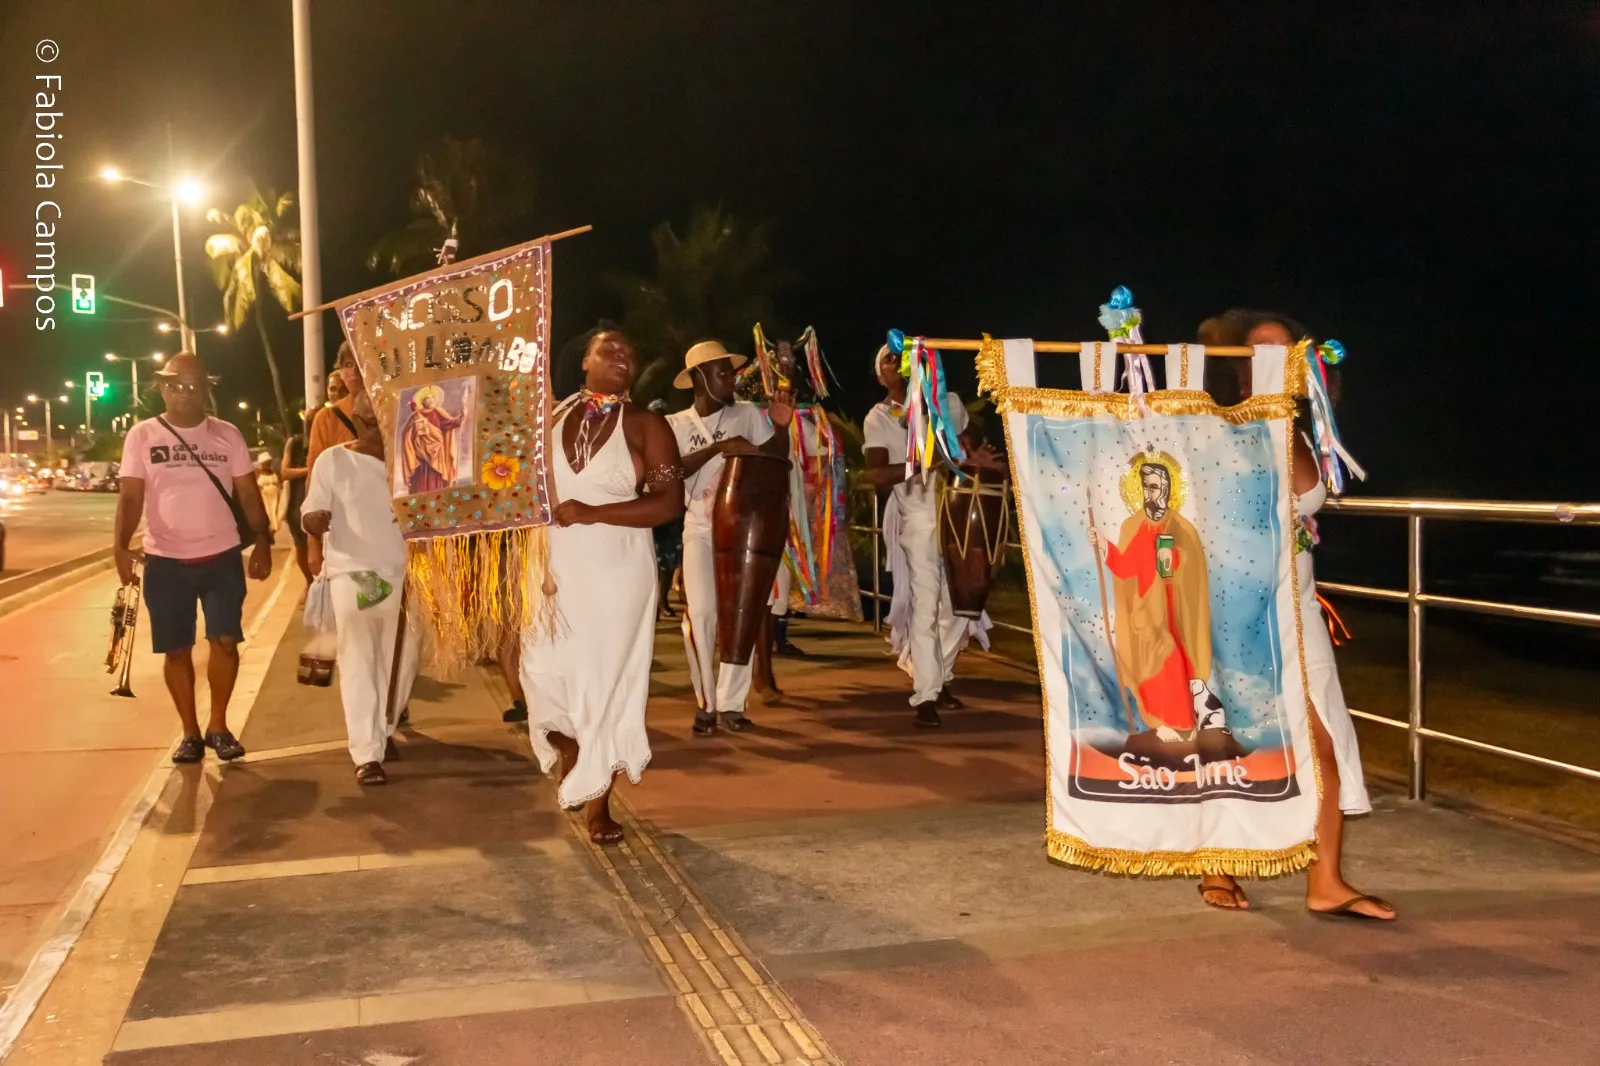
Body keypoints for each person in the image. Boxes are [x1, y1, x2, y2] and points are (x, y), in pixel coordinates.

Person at [1193, 310, 1395, 921]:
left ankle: (1325, 880)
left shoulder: (1301, 431)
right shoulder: (1214, 427)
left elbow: (1300, 503)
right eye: (1262, 350)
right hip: (1235, 609)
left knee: (1323, 738)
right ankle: (1216, 860)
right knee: (1232, 738)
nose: (1277, 361)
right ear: (1237, 365)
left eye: (1287, 350)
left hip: (1297, 608)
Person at [520, 327, 684, 843]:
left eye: (630, 353)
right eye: (609, 349)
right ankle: (574, 749)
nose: (622, 356)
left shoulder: (646, 424)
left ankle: (599, 804)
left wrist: (594, 512)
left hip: (617, 569)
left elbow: (668, 502)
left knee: (607, 679)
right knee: (542, 670)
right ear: (584, 360)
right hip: (552, 567)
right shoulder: (548, 419)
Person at [113, 352, 273, 763]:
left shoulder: (227, 435)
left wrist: (262, 539)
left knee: (225, 641)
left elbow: (248, 492)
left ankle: (218, 726)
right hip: (165, 561)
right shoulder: (142, 436)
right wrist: (120, 546)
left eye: (192, 386)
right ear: (161, 388)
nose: (183, 393)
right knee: (177, 649)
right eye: (174, 385)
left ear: (206, 391)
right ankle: (190, 732)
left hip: (222, 557)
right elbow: (130, 496)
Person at [862, 345, 1005, 727]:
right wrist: (932, 462)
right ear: (880, 377)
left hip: (958, 515)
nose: (897, 362)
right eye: (888, 359)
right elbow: (877, 475)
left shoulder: (947, 402)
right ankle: (926, 696)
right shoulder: (878, 418)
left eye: (902, 355)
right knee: (926, 606)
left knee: (960, 607)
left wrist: (979, 457)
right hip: (920, 518)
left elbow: (972, 445)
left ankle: (935, 676)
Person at [666, 340, 794, 736]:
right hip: (700, 528)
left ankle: (732, 705)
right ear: (698, 378)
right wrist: (719, 448)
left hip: (742, 530)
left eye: (730, 372)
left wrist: (781, 428)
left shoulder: (748, 414)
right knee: (701, 613)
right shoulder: (674, 424)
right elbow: (668, 473)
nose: (731, 379)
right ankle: (706, 700)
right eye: (722, 373)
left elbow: (774, 459)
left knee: (744, 611)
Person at [301, 375, 418, 787]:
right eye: (370, 420)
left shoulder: (417, 460)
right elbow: (310, 510)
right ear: (359, 420)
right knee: (359, 658)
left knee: (402, 662)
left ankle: (382, 728)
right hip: (356, 574)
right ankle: (367, 753)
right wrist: (314, 521)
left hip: (408, 576)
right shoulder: (334, 460)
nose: (378, 428)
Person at [1088, 452, 1227, 741]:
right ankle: (1162, 724)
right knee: (1153, 669)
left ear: (1166, 489)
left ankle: (1184, 724)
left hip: (1175, 612)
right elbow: (1125, 567)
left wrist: (1174, 557)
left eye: (1154, 487)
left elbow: (1193, 567)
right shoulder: (1134, 526)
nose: (1149, 493)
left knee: (1175, 663)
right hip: (1145, 613)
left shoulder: (1180, 527)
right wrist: (1103, 544)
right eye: (1145, 487)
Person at [399, 385, 465, 493]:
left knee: (435, 477)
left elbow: (450, 423)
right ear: (422, 401)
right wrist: (416, 436)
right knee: (421, 477)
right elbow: (407, 433)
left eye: (432, 397)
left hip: (436, 453)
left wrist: (462, 417)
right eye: (427, 398)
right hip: (420, 453)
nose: (430, 400)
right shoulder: (416, 416)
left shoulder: (439, 412)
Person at [306, 342, 360, 472]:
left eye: (360, 363)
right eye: (348, 365)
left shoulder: (390, 410)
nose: (354, 371)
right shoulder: (325, 418)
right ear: (341, 373)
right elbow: (315, 472)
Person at [281, 416, 314, 585]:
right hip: (297, 502)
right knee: (301, 546)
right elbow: (285, 472)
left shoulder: (324, 441)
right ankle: (309, 582)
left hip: (319, 501)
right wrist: (310, 470)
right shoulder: (294, 443)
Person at [255, 453, 282, 534]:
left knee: (275, 512)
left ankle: (274, 528)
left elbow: (281, 483)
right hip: (264, 497)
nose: (267, 464)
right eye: (265, 463)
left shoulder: (275, 472)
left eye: (268, 462)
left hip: (275, 497)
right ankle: (269, 529)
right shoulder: (257, 473)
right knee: (267, 512)